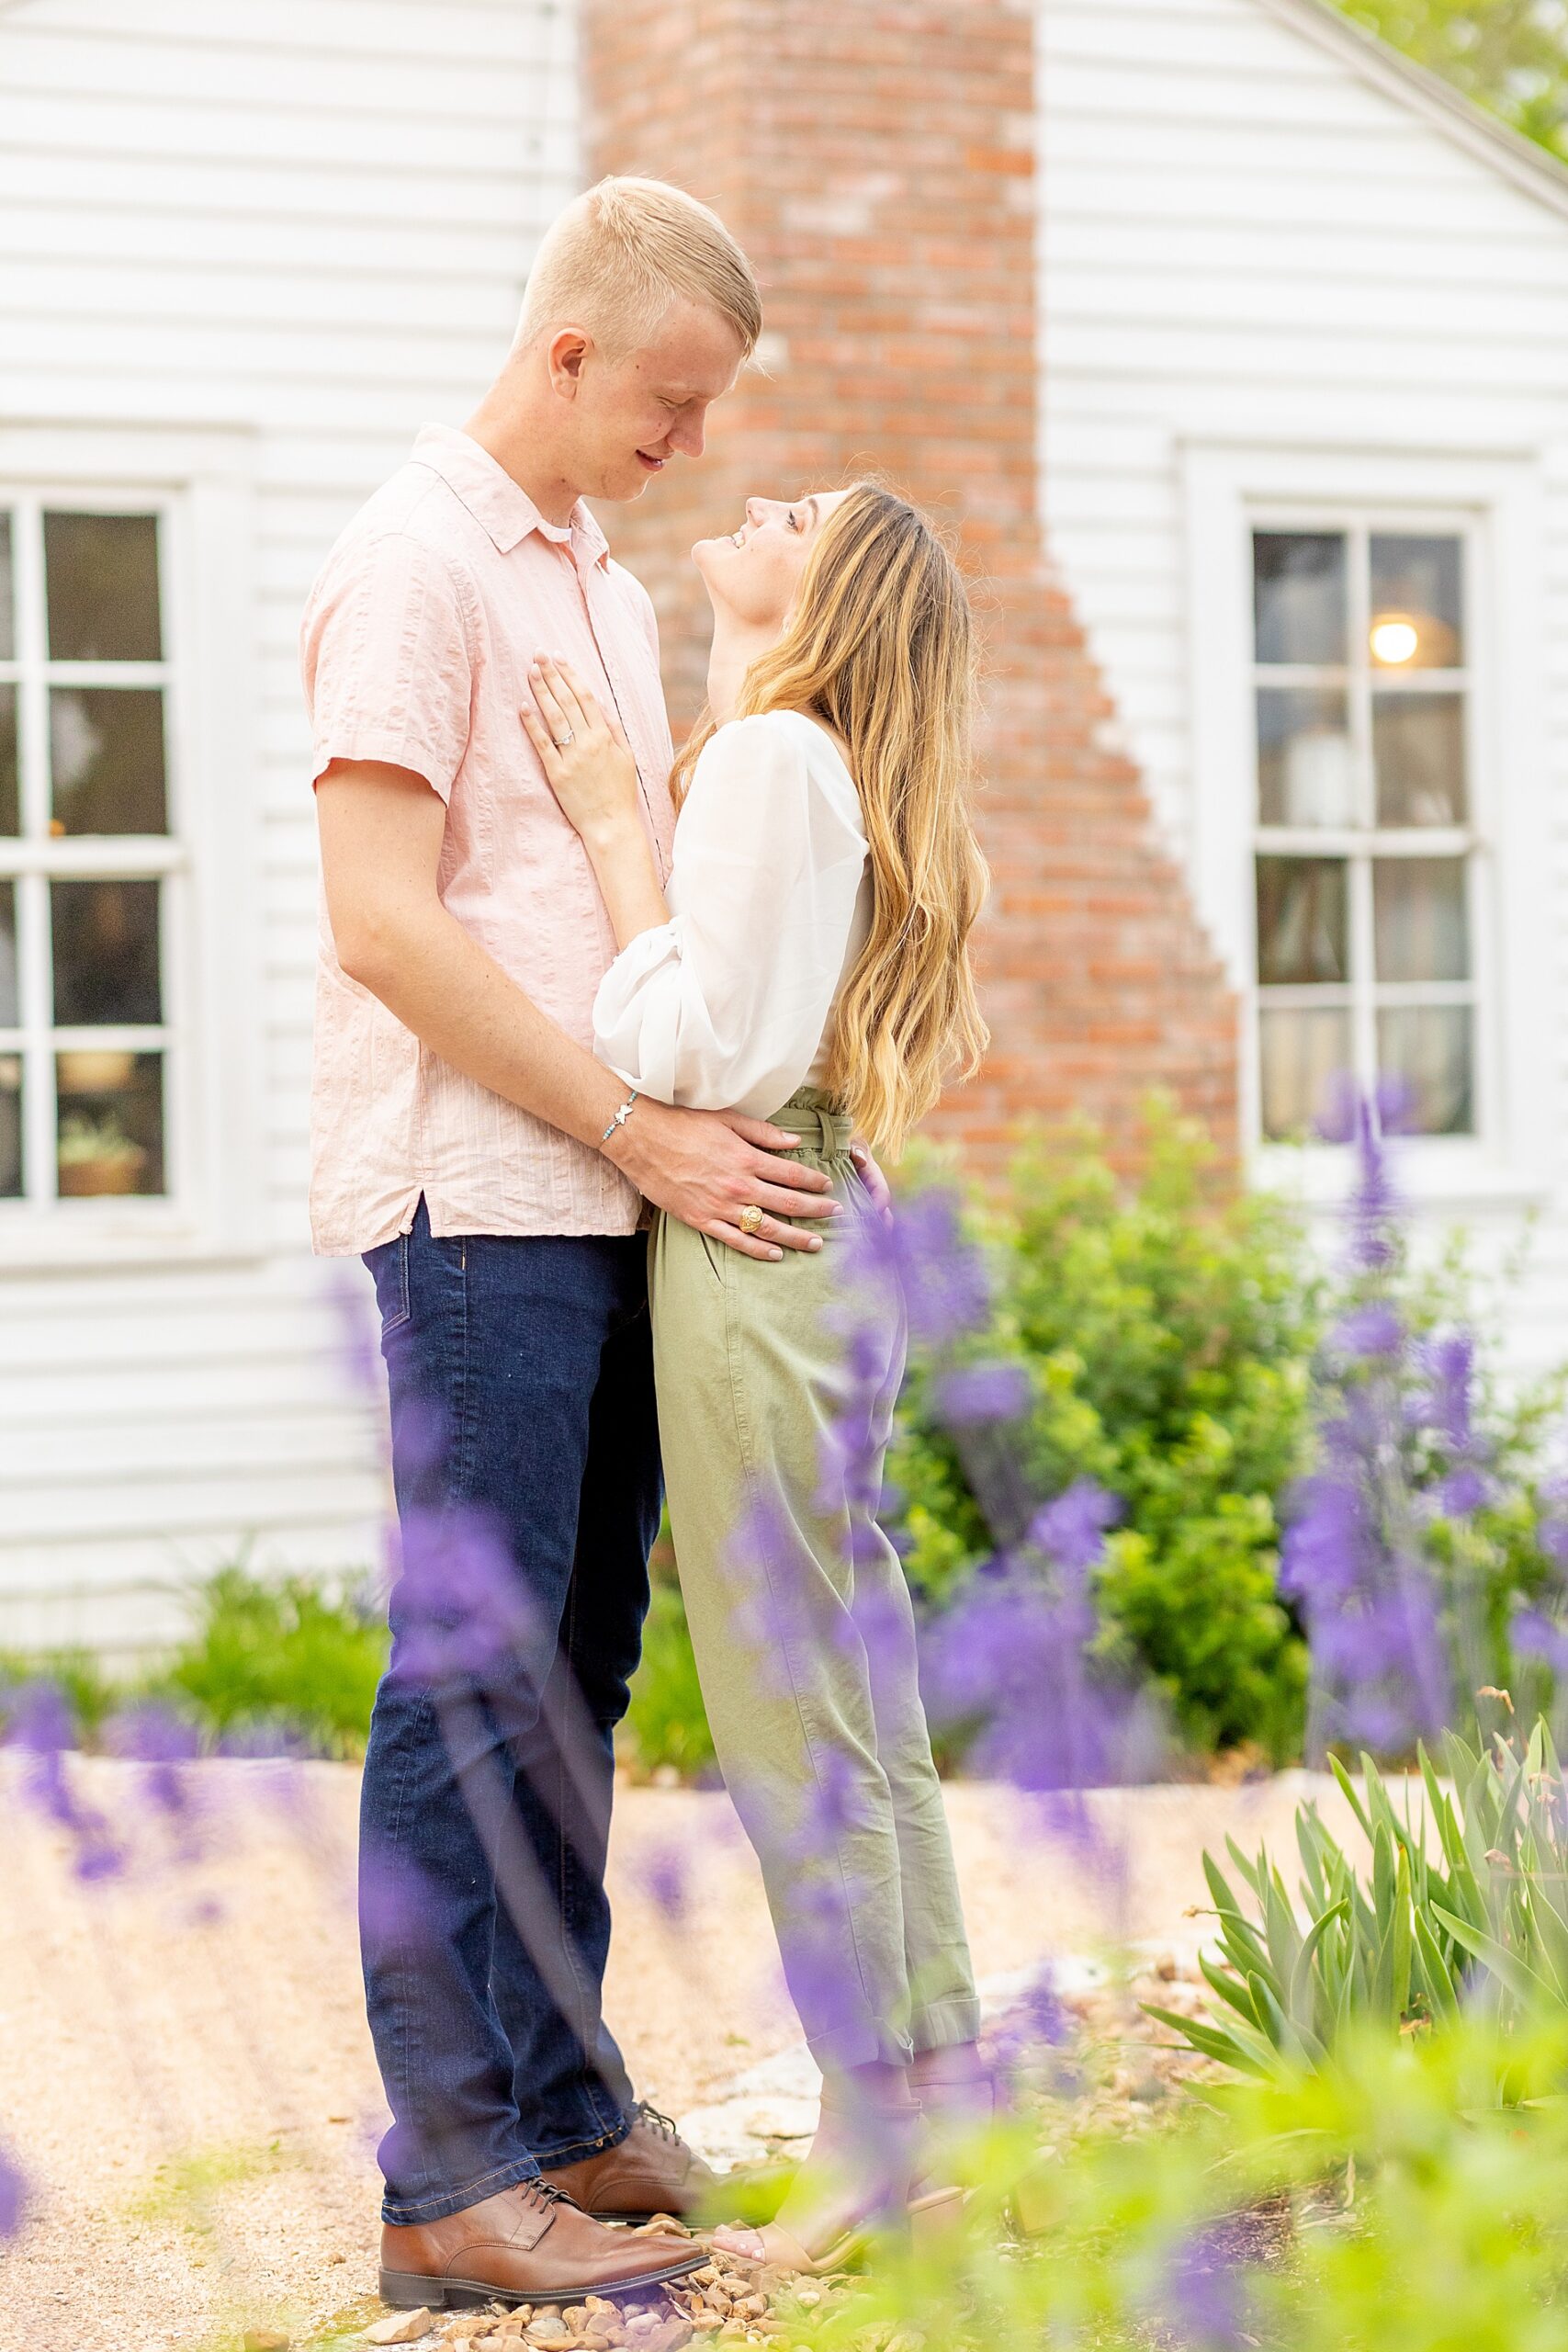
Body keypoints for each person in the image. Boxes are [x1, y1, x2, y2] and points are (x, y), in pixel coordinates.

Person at [301, 178, 854, 2314]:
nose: (692, 442)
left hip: (608, 1203)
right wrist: (636, 1121)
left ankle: (552, 2104)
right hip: (475, 1206)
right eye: (671, 398)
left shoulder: (600, 589)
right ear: (564, 352)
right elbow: (379, 921)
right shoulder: (414, 563)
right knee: (470, 1674)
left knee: (576, 1674)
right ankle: (446, 2173)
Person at [524, 481, 994, 2276]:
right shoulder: (794, 756)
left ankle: (872, 2137)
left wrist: (604, 834)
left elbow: (681, 1039)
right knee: (850, 1678)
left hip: (748, 1235)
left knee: (794, 1702)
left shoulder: (768, 762)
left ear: (831, 585)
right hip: (818, 1217)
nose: (756, 496)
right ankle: (933, 2099)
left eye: (797, 508)